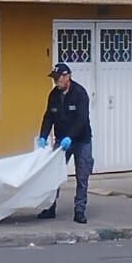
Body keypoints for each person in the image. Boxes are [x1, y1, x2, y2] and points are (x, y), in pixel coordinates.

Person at [36, 62, 93, 224]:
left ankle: (80, 210)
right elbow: (48, 117)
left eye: (58, 78)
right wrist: (43, 136)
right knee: (54, 174)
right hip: (62, 141)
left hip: (81, 140)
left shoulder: (80, 93)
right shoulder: (54, 95)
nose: (56, 81)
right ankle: (50, 207)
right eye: (54, 78)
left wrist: (71, 137)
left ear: (67, 76)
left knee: (82, 176)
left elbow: (82, 119)